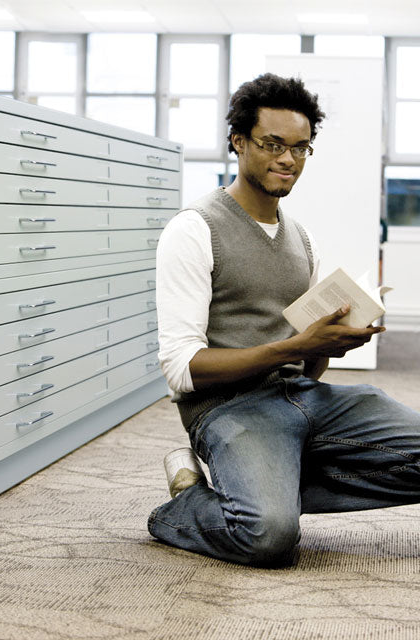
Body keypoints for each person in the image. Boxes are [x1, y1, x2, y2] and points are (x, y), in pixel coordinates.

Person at [147, 73, 420, 567]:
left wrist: (328, 345)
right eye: (272, 144)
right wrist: (294, 348)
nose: (287, 159)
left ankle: (267, 488)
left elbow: (305, 369)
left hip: (302, 397)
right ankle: (183, 503)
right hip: (230, 410)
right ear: (238, 142)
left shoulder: (301, 239)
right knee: (267, 538)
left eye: (300, 148)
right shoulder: (193, 230)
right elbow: (182, 369)